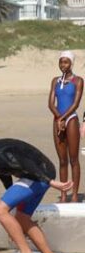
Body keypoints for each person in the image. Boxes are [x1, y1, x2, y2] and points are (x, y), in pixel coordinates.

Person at [47, 50, 83, 202]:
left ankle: (74, 194)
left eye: (66, 62)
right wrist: (58, 119)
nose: (63, 65)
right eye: (61, 62)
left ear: (71, 63)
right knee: (62, 160)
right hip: (57, 120)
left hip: (71, 119)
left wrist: (62, 118)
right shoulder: (55, 81)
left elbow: (75, 104)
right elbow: (50, 103)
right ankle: (63, 195)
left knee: (73, 159)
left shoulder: (78, 81)